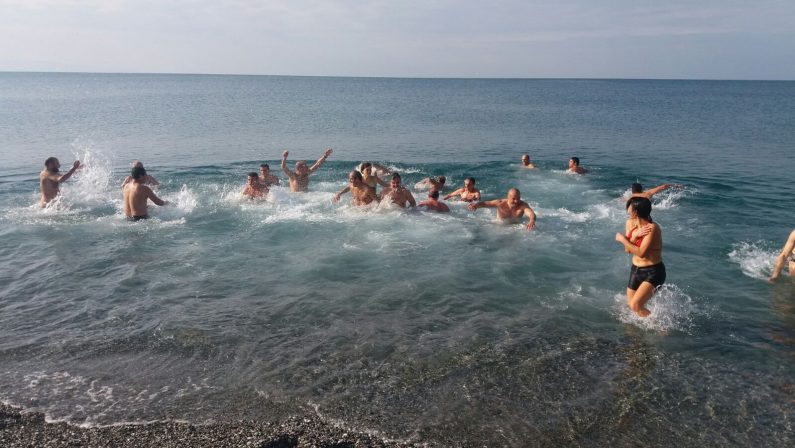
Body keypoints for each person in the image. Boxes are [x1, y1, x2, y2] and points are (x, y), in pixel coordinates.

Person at [615, 197, 665, 317]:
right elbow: (628, 250)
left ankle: (661, 329)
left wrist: (622, 239)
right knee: (632, 306)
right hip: (636, 270)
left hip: (653, 271)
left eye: (629, 207)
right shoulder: (630, 224)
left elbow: (641, 252)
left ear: (635, 212)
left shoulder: (652, 228)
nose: (627, 209)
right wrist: (634, 236)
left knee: (636, 305)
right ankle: (640, 331)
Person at [468, 188, 536, 230]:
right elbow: (485, 203)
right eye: (514, 199)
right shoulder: (500, 203)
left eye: (518, 198)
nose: (516, 201)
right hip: (500, 226)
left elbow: (531, 213)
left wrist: (532, 220)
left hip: (516, 227)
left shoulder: (522, 205)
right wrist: (476, 205)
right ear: (508, 197)